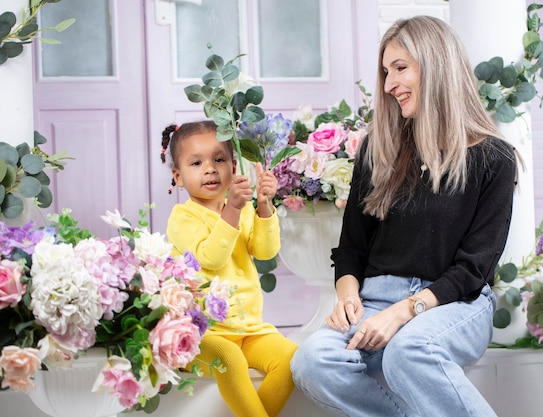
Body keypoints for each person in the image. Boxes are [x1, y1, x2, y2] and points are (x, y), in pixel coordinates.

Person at [290, 15, 518, 417]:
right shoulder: (378, 150)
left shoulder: (493, 158)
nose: (389, 84)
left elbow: (474, 268)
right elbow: (351, 249)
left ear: (436, 65)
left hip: (455, 304)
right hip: (375, 301)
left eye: (400, 68)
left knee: (408, 350)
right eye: (385, 72)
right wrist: (346, 297)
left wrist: (404, 312)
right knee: (311, 361)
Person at [161, 120, 298, 417]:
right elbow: (210, 258)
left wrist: (263, 205)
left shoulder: (244, 208)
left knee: (290, 358)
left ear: (234, 168)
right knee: (230, 358)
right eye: (196, 163)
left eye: (219, 159)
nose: (209, 169)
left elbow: (266, 251)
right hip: (203, 334)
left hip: (249, 329)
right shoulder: (182, 218)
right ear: (179, 177)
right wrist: (233, 209)